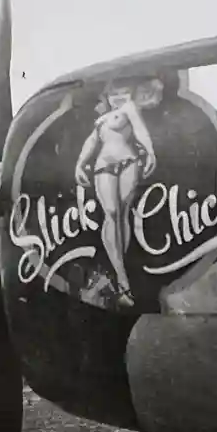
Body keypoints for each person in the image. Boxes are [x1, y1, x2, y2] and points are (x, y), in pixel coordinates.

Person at [74, 77, 161, 307]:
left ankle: (117, 273)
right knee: (111, 213)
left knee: (122, 214)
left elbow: (141, 130)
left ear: (131, 94)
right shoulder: (101, 120)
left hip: (128, 162)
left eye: (123, 92)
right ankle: (123, 281)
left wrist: (150, 152)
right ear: (107, 96)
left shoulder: (130, 109)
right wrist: (80, 164)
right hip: (104, 166)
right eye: (114, 94)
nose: (118, 97)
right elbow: (91, 143)